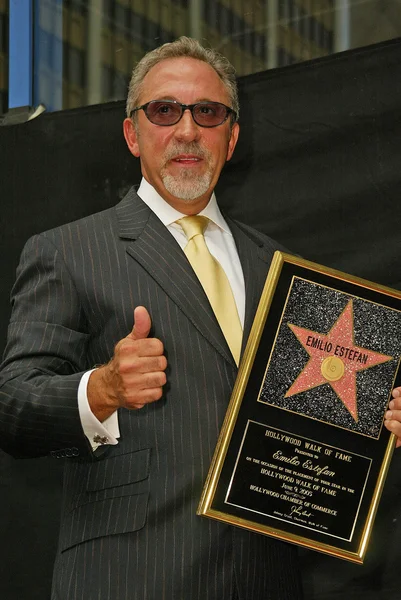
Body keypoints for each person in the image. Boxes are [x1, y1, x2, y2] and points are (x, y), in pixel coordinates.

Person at [0, 36, 399, 600]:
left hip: (266, 579)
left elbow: (315, 423)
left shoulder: (281, 271)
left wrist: (377, 419)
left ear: (231, 138)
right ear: (132, 134)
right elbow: (13, 408)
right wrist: (103, 388)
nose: (187, 130)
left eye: (207, 113)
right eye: (165, 110)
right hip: (131, 578)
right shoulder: (68, 250)